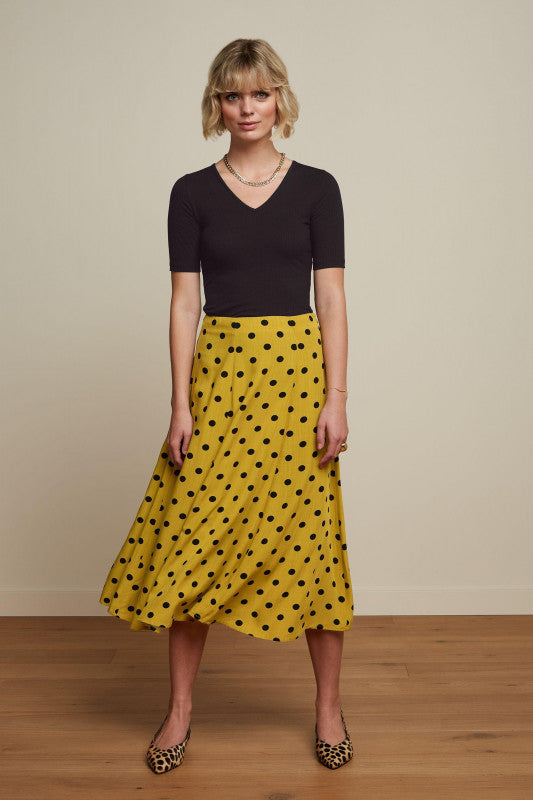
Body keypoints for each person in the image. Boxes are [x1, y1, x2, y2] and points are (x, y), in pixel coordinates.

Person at [99, 37, 355, 772]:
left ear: (280, 99)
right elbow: (185, 303)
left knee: (311, 545)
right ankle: (179, 711)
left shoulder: (318, 188)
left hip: (296, 379)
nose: (247, 108)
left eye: (260, 93)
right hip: (221, 378)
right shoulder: (190, 192)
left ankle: (328, 709)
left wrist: (336, 398)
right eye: (233, 95)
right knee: (194, 543)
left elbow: (332, 298)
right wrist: (179, 404)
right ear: (217, 103)